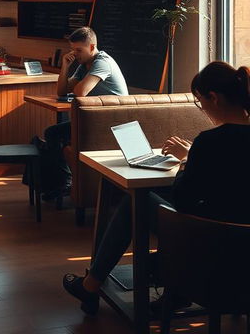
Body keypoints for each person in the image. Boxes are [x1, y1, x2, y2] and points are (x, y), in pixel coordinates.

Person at [63, 61, 250, 316]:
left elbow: (184, 200)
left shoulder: (209, 143)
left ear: (214, 98)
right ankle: (175, 293)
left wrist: (187, 160)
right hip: (241, 240)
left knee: (135, 202)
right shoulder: (214, 143)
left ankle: (92, 284)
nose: (202, 109)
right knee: (158, 198)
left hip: (212, 241)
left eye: (200, 102)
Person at [41, 27, 128, 198]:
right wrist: (65, 66)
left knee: (54, 135)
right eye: (72, 49)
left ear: (91, 46)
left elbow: (81, 92)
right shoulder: (85, 64)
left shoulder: (102, 62)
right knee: (53, 134)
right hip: (96, 120)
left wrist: (76, 80)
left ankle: (65, 185)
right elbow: (62, 91)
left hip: (113, 123)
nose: (75, 53)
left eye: (78, 50)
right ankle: (63, 185)